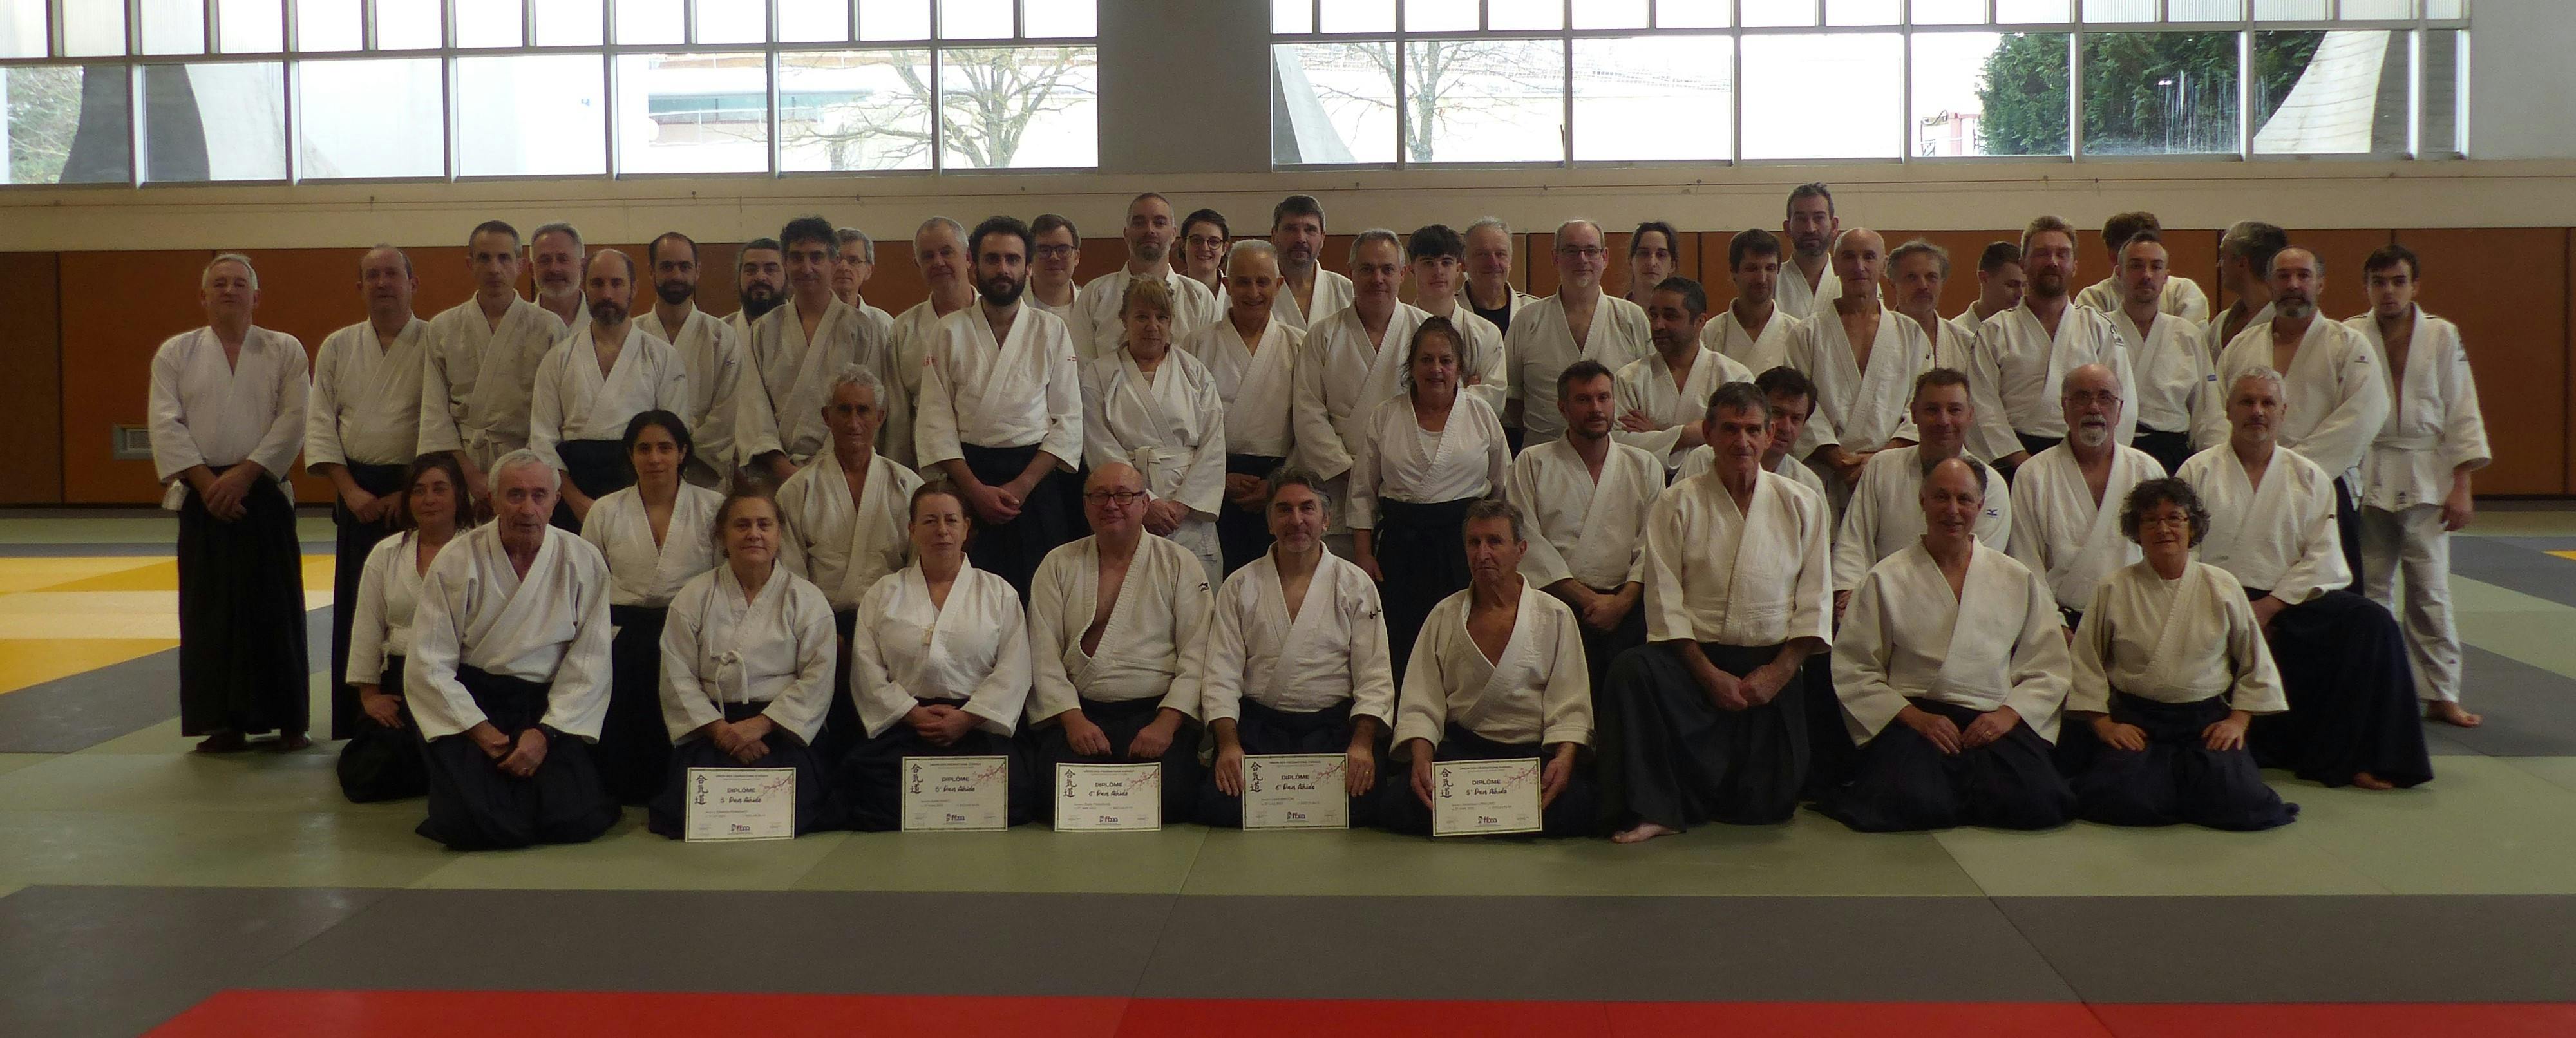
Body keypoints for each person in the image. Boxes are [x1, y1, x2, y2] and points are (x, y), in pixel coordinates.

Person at [2179, 369, 2430, 790]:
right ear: (2227, 409)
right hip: (2215, 599)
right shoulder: (2196, 471)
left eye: (2267, 403)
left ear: (2284, 412)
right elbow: (2183, 550)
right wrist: (2236, 608)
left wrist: (2270, 607)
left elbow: (2323, 556)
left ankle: (2361, 758)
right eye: (2246, 402)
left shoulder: (2309, 475)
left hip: (2288, 600)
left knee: (2372, 623)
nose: (2257, 412)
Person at [1602, 383, 1833, 841]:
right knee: (1632, 670)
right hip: (1694, 665)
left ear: (1769, 435)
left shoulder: (1803, 501)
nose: (1742, 441)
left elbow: (1815, 601)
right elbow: (1664, 600)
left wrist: (1779, 673)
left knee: (1765, 809)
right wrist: (1708, 675)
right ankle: (1656, 808)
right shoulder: (1677, 502)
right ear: (1708, 434)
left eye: (1753, 430)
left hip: (1768, 669)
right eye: (1730, 429)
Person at [1817, 456, 2075, 833]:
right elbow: (1856, 668)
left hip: (1990, 717)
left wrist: (2007, 715)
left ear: (1980, 506)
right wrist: (1917, 719)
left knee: (2041, 802)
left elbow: (2048, 666)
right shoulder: (1885, 578)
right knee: (1914, 803)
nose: (1952, 510)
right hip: (1917, 718)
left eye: (1964, 499)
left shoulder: (2016, 578)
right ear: (1922, 500)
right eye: (1941, 497)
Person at [406, 450, 619, 850]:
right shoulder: (457, 559)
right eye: (515, 495)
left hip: (546, 706)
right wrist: (481, 731)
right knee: (473, 825)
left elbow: (590, 660)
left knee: (575, 819)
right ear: (493, 500)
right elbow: (428, 663)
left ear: (555, 501)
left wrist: (546, 733)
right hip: (473, 705)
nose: (527, 508)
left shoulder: (583, 559)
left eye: (539, 495)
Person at [148, 254, 312, 754]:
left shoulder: (285, 348)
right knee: (209, 612)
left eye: (239, 283)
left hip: (262, 489)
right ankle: (223, 723)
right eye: (218, 283)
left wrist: (245, 475)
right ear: (203, 296)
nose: (229, 290)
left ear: (256, 296)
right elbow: (165, 422)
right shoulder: (175, 352)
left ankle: (288, 720)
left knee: (275, 608)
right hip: (203, 495)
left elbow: (295, 417)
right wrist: (205, 482)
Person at [2066, 478, 2297, 831]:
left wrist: (2237, 721)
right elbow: (2086, 661)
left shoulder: (2222, 585)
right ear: (2136, 531)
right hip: (2138, 720)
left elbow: (2255, 661)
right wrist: (2105, 724)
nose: (2163, 529)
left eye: (2174, 518)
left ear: (2192, 526)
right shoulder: (2114, 587)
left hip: (2204, 721)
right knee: (2122, 800)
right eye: (2150, 520)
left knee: (2242, 802)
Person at [1380, 500, 1597, 838]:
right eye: (1474, 543)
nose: (1482, 554)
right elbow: (1422, 701)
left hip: (1530, 757)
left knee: (1580, 805)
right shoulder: (1444, 614)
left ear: (1521, 550)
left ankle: (1477, 818)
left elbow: (1571, 703)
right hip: (1463, 754)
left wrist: (1564, 759)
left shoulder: (1554, 615)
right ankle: (1502, 819)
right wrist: (1421, 760)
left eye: (1494, 542)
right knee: (1397, 803)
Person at [1196, 467, 1397, 827]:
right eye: (1284, 510)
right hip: (1262, 728)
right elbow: (1221, 674)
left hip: (1333, 729)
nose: (1296, 520)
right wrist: (1228, 745)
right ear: (1269, 521)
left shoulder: (1355, 584)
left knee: (1370, 803)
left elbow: (1375, 674)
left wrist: (1362, 744)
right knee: (1218, 804)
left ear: (1326, 520)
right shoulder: (1240, 585)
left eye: (1307, 508)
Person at [834, 482, 1038, 830]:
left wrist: (967, 718)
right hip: (907, 723)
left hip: (976, 724)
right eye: (929, 521)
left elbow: (1014, 669)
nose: (942, 530)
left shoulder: (998, 592)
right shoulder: (884, 593)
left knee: (1018, 790)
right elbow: (867, 671)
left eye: (951, 520)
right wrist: (912, 715)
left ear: (966, 528)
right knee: (865, 787)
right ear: (912, 530)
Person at [2349, 245, 2490, 729]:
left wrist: (2462, 483)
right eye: (2379, 282)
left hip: (2428, 472)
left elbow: (2461, 407)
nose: (2388, 291)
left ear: (2415, 286)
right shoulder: (2349, 335)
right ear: (2366, 287)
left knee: (2430, 589)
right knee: (2370, 589)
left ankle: (2441, 692)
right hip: (2367, 469)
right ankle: (2374, 688)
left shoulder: (2442, 334)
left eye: (2398, 281)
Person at [1025, 464, 1215, 824]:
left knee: (1175, 798)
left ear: (1144, 504)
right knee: (1053, 799)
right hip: (1081, 712)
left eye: (1124, 495)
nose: (1111, 505)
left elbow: (1199, 652)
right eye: (1100, 496)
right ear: (1085, 505)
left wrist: (1167, 723)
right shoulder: (1058, 563)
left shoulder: (1179, 562)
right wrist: (1073, 720)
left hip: (1154, 713)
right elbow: (1042, 652)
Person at [646, 491, 839, 838]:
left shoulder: (807, 599)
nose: (754, 534)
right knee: (683, 813)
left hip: (781, 728)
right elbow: (677, 676)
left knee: (798, 807)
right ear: (723, 535)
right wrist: (722, 732)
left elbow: (818, 677)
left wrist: (763, 725)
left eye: (764, 525)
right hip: (714, 725)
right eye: (742, 525)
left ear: (779, 535)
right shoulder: (694, 596)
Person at [914, 214, 1086, 597]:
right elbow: (935, 423)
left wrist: (1022, 486)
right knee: (972, 596)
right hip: (970, 478)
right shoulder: (948, 331)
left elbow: (1068, 419)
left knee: (1040, 594)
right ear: (974, 265)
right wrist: (975, 491)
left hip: (1035, 481)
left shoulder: (1051, 330)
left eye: (1012, 259)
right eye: (992, 259)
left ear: (1028, 267)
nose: (1003, 269)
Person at [2210, 246, 2389, 590]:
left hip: (2323, 482)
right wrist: (2233, 466)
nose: (2293, 284)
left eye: (2303, 275)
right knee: (2245, 583)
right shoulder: (2242, 346)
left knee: (2328, 593)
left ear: (2320, 284)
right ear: (2269, 284)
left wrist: (2290, 469)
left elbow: (2363, 415)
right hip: (2245, 480)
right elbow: (2218, 411)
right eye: (2283, 276)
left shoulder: (2349, 345)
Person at [308, 245, 428, 743]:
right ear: (359, 287)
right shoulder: (338, 346)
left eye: (392, 274)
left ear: (412, 283)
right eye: (372, 275)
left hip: (419, 493)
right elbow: (321, 422)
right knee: (360, 604)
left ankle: (421, 711)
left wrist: (411, 490)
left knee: (417, 601)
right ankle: (357, 715)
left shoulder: (433, 340)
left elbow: (440, 420)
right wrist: (348, 490)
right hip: (356, 492)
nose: (383, 283)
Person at [1349, 318, 1512, 680]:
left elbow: (1503, 490)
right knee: (1402, 644)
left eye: (1446, 360)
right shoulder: (1386, 415)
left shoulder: (1480, 414)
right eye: (1426, 360)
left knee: (1463, 642)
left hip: (1464, 548)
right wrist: (1363, 555)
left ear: (1459, 367)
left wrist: (1499, 553)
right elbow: (1362, 492)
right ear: (1411, 365)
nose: (1436, 369)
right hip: (1401, 548)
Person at [774, 364, 923, 759]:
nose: (853, 422)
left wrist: (889, 631)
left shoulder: (908, 486)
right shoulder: (797, 490)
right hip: (822, 622)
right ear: (827, 417)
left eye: (863, 410)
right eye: (843, 410)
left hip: (892, 620)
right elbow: (791, 578)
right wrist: (821, 630)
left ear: (880, 416)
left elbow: (919, 573)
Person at [578, 411, 725, 804]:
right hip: (625, 634)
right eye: (644, 449)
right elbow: (589, 585)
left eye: (665, 448)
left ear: (683, 453)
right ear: (631, 455)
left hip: (692, 631)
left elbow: (723, 582)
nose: (655, 458)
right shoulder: (605, 510)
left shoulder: (712, 507)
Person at [1505, 360, 1664, 697]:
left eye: (1603, 398)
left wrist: (1620, 604)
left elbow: (1653, 543)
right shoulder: (1532, 463)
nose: (1596, 409)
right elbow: (1526, 542)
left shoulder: (1645, 466)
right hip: (1555, 605)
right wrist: (1589, 599)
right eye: (1583, 399)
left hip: (1628, 608)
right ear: (1562, 408)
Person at [339, 452, 473, 802]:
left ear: (459, 495)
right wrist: (370, 696)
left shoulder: (480, 550)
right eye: (419, 490)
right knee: (365, 775)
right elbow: (367, 626)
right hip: (402, 678)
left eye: (440, 489)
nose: (429, 499)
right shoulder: (387, 554)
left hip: (463, 678)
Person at [741, 216, 914, 481]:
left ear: (833, 262)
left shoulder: (863, 330)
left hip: (842, 472)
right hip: (776, 473)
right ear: (785, 263)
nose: (806, 268)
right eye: (797, 258)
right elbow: (753, 407)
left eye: (816, 257)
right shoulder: (763, 329)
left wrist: (824, 469)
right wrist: (783, 468)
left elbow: (866, 407)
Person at [529, 248, 688, 529]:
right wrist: (577, 502)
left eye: (616, 283)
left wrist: (647, 503)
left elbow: (672, 438)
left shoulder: (662, 356)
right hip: (572, 492)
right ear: (584, 287)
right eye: (597, 284)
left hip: (641, 491)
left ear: (634, 288)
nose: (607, 294)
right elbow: (542, 442)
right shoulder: (558, 358)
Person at [1831, 370, 2016, 610]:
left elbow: (1978, 570)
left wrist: (1891, 599)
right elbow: (1855, 543)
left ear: (1970, 415)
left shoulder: (1991, 485)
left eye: (1955, 410)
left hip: (1955, 609)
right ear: (1914, 413)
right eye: (1932, 410)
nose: (1944, 421)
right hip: (1877, 608)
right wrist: (1853, 594)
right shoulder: (1882, 466)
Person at [1084, 279, 1229, 582]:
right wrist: (1144, 502)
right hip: (1126, 506)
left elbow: (1213, 446)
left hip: (1189, 512)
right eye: (1142, 317)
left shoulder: (1195, 372)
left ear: (1171, 321)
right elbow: (1099, 445)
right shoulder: (1099, 374)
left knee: (1195, 597)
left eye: (1161, 317)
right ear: (1124, 319)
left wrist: (1181, 505)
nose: (1152, 326)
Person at [1784, 228, 1938, 509]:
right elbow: (1796, 405)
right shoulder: (1806, 333)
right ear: (1835, 264)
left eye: (1869, 257)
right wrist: (1839, 459)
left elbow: (1920, 405)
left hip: (1893, 472)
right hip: (1824, 474)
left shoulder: (1910, 334)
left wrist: (1878, 461)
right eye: (1849, 257)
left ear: (1883, 265)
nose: (1859, 266)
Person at [2006, 365, 2167, 628]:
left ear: (2120, 410)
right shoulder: (2033, 475)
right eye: (2082, 397)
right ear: (2064, 408)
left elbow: (2163, 554)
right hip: (2059, 620)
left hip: (2137, 617)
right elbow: (2026, 563)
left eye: (2105, 398)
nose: (2094, 408)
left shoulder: (2147, 471)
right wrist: (2055, 626)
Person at [1288, 229, 1414, 558]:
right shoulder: (1323, 335)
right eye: (1367, 269)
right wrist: (1351, 472)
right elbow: (1308, 412)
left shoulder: (1425, 331)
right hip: (1337, 483)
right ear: (1350, 273)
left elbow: (1438, 409)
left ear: (1403, 273)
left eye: (1387, 269)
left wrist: (1391, 472)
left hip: (1404, 483)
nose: (1378, 278)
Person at [421, 220, 566, 503]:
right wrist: (471, 475)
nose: (494, 268)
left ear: (520, 265)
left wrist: (514, 475)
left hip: (527, 466)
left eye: (504, 258)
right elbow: (434, 413)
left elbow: (552, 415)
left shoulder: (549, 327)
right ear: (470, 264)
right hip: (461, 468)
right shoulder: (443, 327)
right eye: (484, 258)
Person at [1978, 216, 2137, 468]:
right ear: (2023, 264)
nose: (2052, 261)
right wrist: (2021, 462)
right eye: (2042, 253)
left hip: (2089, 455)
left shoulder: (2099, 327)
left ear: (2074, 266)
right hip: (2013, 458)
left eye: (2062, 254)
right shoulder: (1994, 330)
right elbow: (1982, 405)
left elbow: (2123, 399)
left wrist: (2101, 459)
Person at [1184, 240, 1303, 574]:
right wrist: (1219, 478)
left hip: (1279, 481)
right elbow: (1184, 426)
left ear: (1279, 285)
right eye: (1243, 282)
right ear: (1226, 284)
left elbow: (1310, 424)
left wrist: (1278, 481)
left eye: (1263, 282)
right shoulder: (1196, 344)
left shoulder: (1300, 344)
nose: (1253, 292)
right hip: (1212, 481)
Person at [1508, 220, 1652, 445]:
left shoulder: (1631, 317)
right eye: (1571, 250)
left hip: (1616, 451)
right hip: (1545, 451)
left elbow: (1649, 389)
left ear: (1605, 257)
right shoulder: (1527, 319)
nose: (1582, 259)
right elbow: (1512, 395)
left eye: (1591, 251)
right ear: (1555, 258)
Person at [2104, 231, 2221, 474]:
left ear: (2166, 277)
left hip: (2172, 451)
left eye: (2156, 267)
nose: (2147, 275)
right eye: (2136, 266)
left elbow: (2208, 412)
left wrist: (2214, 464)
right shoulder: (2098, 328)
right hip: (2113, 449)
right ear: (2119, 273)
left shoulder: (2188, 335)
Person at [637, 232, 747, 488]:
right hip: (644, 472)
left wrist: (681, 459)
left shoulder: (722, 337)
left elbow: (728, 414)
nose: (676, 275)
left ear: (697, 271)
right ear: (651, 271)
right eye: (667, 267)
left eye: (685, 267)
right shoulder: (633, 335)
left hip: (703, 477)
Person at [1615, 276, 1754, 471]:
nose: (1658, 325)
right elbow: (1620, 445)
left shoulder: (1735, 377)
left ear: (1700, 322)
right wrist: (1688, 434)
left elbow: (1740, 442)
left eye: (1670, 316)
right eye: (1653, 316)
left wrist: (1657, 436)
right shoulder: (1629, 378)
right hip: (1645, 485)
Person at [1075, 193, 1222, 359]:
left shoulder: (1200, 297)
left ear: (1173, 234)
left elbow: (1210, 366)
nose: (1150, 230)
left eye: (1159, 223)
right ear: (1126, 234)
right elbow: (1081, 368)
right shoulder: (1095, 295)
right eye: (1139, 223)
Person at [1675, 366, 1833, 500]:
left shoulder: (1808, 485)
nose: (1786, 427)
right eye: (1777, 413)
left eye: (1796, 419)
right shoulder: (1702, 460)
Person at [1401, 224, 1510, 416]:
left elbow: (1494, 404)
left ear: (1459, 268)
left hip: (1469, 435)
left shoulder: (1486, 333)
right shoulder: (1398, 328)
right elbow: (1393, 394)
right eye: (1428, 263)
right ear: (1411, 270)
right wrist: (1463, 389)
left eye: (1446, 262)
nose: (1438, 271)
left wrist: (1437, 392)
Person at [890, 216, 977, 407]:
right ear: (918, 265)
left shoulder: (995, 318)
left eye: (946, 252)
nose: (938, 262)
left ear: (968, 258)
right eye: (928, 256)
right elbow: (898, 409)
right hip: (923, 426)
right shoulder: (903, 329)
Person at [2073, 211, 2211, 323]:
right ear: (2114, 256)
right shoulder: (2093, 297)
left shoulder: (2183, 291)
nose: (2146, 274)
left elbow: (2189, 341)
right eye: (2136, 263)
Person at [1701, 229, 1801, 375]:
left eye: (1770, 268)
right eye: (1752, 269)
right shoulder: (1709, 334)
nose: (1762, 279)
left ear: (1778, 271)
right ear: (1734, 271)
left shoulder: (1797, 333)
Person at [1269, 194, 1352, 331]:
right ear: (1274, 236)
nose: (1301, 239)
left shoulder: (1346, 291)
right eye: (1291, 229)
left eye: (1310, 230)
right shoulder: (1257, 291)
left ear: (1322, 238)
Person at [2206, 221, 2286, 361]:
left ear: (2242, 263)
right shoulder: (2221, 322)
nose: (2219, 265)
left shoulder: (2283, 323)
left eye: (2223, 257)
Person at [1777, 183, 1844, 319]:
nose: (1810, 228)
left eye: (1819, 218)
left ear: (1834, 226)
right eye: (1801, 219)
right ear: (1787, 228)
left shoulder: (1854, 278)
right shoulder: (1771, 281)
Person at [1027, 212, 1087, 344]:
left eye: (1063, 249)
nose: (1054, 257)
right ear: (1030, 256)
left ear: (1076, 257)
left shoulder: (1091, 308)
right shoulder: (1012, 307)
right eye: (1044, 250)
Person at [527, 222, 587, 332]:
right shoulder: (519, 326)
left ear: (582, 267)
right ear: (532, 270)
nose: (554, 269)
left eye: (563, 259)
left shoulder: (603, 321)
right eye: (545, 261)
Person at [730, 237, 786, 345]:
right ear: (739, 277)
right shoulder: (720, 333)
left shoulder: (804, 330)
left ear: (787, 276)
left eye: (770, 270)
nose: (760, 277)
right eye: (751, 270)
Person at [1620, 220, 1682, 310]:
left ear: (1672, 265)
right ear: (1630, 260)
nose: (1652, 263)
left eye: (1661, 255)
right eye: (1644, 253)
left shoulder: (1684, 318)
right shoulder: (1612, 315)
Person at [1959, 241, 2025, 327]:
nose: (2021, 294)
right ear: (1984, 278)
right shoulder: (1954, 334)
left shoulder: (2026, 331)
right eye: (2011, 285)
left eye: (2024, 285)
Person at [1179, 207, 1230, 297]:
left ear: (1224, 249)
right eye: (1197, 240)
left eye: (1214, 242)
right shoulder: (1168, 293)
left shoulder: (1236, 292)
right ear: (1183, 245)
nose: (1205, 248)